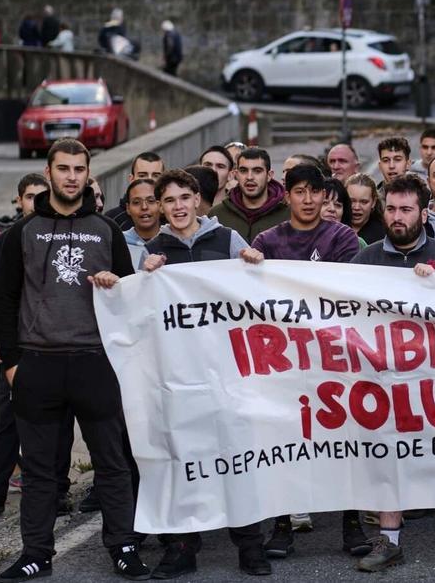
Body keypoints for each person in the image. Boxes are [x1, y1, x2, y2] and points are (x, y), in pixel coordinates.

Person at [0, 138, 149, 582]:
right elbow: (4, 299)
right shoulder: (21, 233)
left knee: (112, 464)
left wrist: (115, 284)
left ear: (88, 174)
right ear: (49, 173)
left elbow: (129, 297)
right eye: (63, 168)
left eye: (79, 169)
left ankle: (123, 547)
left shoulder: (106, 230)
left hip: (94, 362)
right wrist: (12, 364)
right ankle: (36, 554)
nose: (71, 177)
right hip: (38, 363)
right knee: (41, 470)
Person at [139, 170, 270, 577]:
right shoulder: (152, 252)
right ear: (160, 207)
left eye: (184, 197)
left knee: (238, 460)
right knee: (183, 462)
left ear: (198, 199)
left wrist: (255, 265)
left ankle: (250, 546)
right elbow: (140, 312)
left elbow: (258, 296)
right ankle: (182, 548)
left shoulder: (228, 240)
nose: (178, 206)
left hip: (228, 374)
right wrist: (143, 277)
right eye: (169, 200)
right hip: (179, 378)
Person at [349, 175, 435, 573]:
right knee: (387, 455)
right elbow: (345, 316)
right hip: (383, 379)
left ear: (424, 214)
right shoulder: (366, 260)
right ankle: (388, 541)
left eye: (406, 209)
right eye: (390, 209)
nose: (397, 217)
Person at [248, 164, 369, 562]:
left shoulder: (343, 237)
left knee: (345, 441)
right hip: (285, 359)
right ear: (287, 196)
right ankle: (282, 524)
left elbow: (347, 291)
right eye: (298, 191)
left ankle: (352, 521)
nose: (307, 199)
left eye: (314, 192)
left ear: (323, 196)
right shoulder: (267, 240)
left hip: (333, 355)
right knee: (285, 441)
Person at [0, 175, 75, 519]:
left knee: (60, 425)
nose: (36, 202)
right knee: (7, 424)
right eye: (30, 197)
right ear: (19, 201)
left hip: (58, 348)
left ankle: (58, 491)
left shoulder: (66, 236)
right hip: (17, 349)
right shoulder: (9, 240)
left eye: (42, 196)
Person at [208, 148, 289, 242]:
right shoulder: (217, 215)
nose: (249, 177)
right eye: (243, 171)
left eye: (257, 171)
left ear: (269, 175)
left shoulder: (289, 215)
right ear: (236, 174)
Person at [105, 152, 165, 229]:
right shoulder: (112, 219)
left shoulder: (172, 215)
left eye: (156, 176)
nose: (149, 180)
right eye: (142, 175)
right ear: (131, 179)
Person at [122, 179, 159, 270]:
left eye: (151, 201)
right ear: (128, 208)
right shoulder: (119, 243)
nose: (144, 207)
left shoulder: (173, 240)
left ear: (161, 205)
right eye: (136, 202)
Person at [346, 173, 387, 243]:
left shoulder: (384, 235)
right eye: (351, 201)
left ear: (373, 202)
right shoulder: (334, 227)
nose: (357, 207)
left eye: (364, 202)